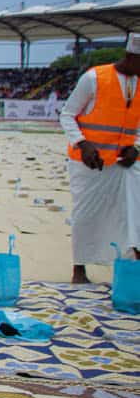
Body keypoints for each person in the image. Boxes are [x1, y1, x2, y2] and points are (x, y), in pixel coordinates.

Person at [59, 37, 140, 283]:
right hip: (89, 162)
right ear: (131, 58)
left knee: (132, 212)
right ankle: (79, 268)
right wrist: (83, 144)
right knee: (87, 214)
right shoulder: (94, 78)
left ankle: (130, 264)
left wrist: (136, 147)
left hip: (124, 162)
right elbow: (68, 115)